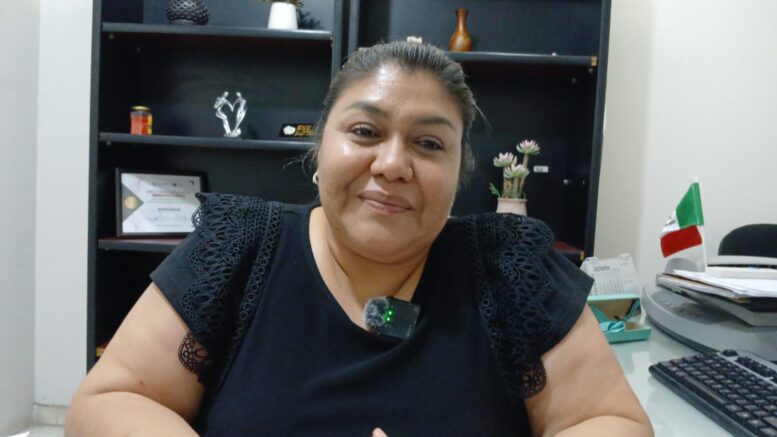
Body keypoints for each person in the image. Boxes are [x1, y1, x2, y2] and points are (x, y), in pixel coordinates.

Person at [66, 41, 653, 436]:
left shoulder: (510, 265)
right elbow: (109, 402)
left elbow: (610, 422)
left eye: (429, 143)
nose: (392, 164)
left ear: (459, 172)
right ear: (320, 147)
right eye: (366, 131)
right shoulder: (237, 245)